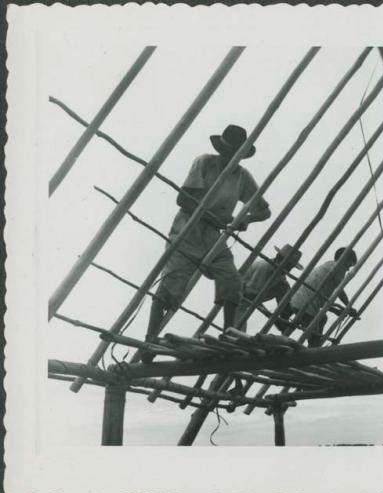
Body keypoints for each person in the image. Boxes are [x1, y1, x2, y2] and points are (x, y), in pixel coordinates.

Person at [141, 125, 271, 363]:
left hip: (214, 237)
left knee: (231, 280)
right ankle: (150, 340)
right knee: (171, 285)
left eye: (236, 153)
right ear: (221, 150)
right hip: (188, 230)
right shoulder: (205, 163)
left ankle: (229, 337)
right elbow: (183, 199)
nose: (231, 157)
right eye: (228, 152)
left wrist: (245, 220)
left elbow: (264, 211)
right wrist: (215, 218)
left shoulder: (242, 176)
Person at [288, 247, 359, 348]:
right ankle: (311, 354)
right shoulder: (339, 267)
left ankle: (313, 347)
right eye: (349, 265)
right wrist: (349, 306)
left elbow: (320, 299)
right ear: (344, 259)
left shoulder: (328, 265)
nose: (348, 269)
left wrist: (336, 310)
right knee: (314, 340)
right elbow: (340, 291)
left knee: (322, 318)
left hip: (298, 301)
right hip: (306, 307)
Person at [236, 244, 304, 332]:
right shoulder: (265, 267)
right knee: (238, 332)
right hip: (237, 299)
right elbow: (251, 296)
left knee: (284, 290)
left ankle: (284, 322)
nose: (288, 269)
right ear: (278, 258)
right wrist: (272, 318)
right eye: (287, 265)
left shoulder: (281, 278)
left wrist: (286, 316)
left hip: (250, 299)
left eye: (291, 267)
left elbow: (286, 299)